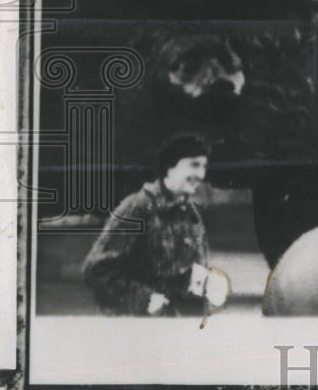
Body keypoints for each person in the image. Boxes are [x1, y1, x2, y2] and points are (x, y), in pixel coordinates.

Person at [83, 132, 228, 316]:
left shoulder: (191, 214)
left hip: (172, 328)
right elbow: (97, 271)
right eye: (194, 165)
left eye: (204, 166)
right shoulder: (137, 207)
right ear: (170, 167)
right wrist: (144, 300)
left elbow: (190, 274)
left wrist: (206, 284)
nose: (200, 174)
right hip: (130, 328)